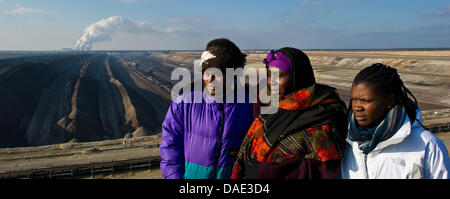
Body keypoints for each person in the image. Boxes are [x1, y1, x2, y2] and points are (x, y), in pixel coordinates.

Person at [231, 47, 348, 179]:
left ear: (297, 77)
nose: (271, 81)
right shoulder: (276, 108)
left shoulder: (322, 116)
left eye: (279, 75)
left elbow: (326, 170)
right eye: (269, 74)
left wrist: (265, 171)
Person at [159, 38, 254, 179]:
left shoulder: (248, 106)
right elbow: (170, 148)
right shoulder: (183, 104)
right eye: (207, 72)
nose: (210, 79)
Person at [341, 63, 450, 179]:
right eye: (354, 100)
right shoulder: (347, 143)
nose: (357, 107)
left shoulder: (427, 145)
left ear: (389, 101)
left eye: (365, 100)